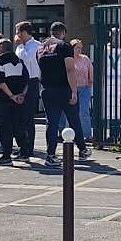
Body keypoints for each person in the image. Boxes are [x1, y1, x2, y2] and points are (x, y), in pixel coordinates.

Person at [37, 22, 89, 167]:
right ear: (63, 33)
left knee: (51, 122)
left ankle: (51, 155)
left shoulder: (41, 47)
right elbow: (70, 70)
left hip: (47, 89)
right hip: (63, 89)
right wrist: (73, 91)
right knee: (74, 119)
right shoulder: (64, 46)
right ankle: (83, 150)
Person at [0, 39, 29, 165]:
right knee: (19, 126)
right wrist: (21, 95)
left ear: (2, 48)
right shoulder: (19, 61)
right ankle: (24, 153)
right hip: (19, 100)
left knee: (4, 127)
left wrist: (12, 96)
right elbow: (26, 80)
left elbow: (1, 83)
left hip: (4, 100)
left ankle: (6, 156)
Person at [14, 21, 42, 160]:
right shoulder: (21, 47)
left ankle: (28, 148)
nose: (17, 35)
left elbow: (27, 58)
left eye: (18, 32)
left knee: (28, 116)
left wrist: (19, 46)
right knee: (19, 117)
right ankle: (22, 146)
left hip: (31, 82)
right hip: (20, 81)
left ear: (24, 32)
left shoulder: (35, 45)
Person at [69, 39, 95, 144]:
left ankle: (87, 134)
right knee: (71, 112)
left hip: (84, 87)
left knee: (84, 111)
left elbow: (90, 69)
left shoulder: (85, 59)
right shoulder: (69, 59)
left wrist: (91, 80)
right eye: (76, 48)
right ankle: (71, 134)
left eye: (80, 48)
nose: (79, 50)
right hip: (72, 87)